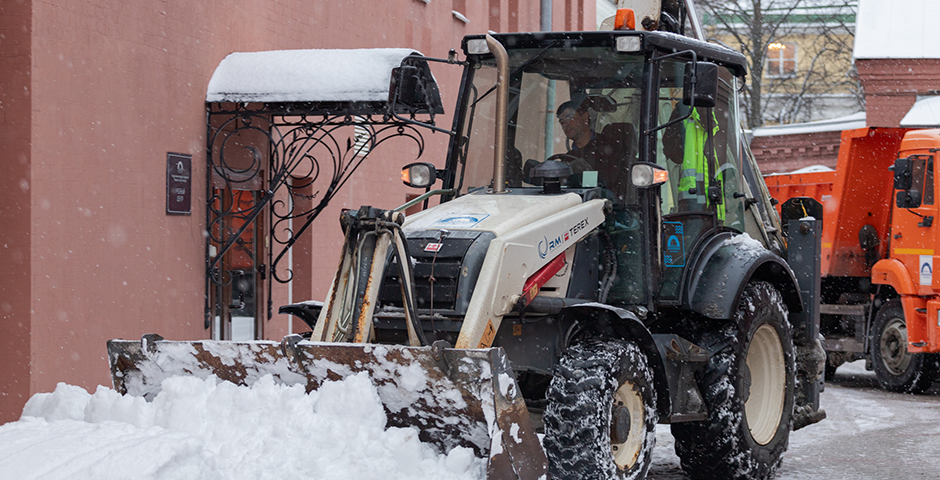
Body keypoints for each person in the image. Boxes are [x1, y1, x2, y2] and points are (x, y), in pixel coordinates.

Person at [554, 99, 633, 194]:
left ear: (585, 117)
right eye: (561, 121)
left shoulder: (609, 148)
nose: (565, 124)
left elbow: (609, 182)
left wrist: (579, 176)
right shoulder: (569, 157)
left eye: (569, 117)